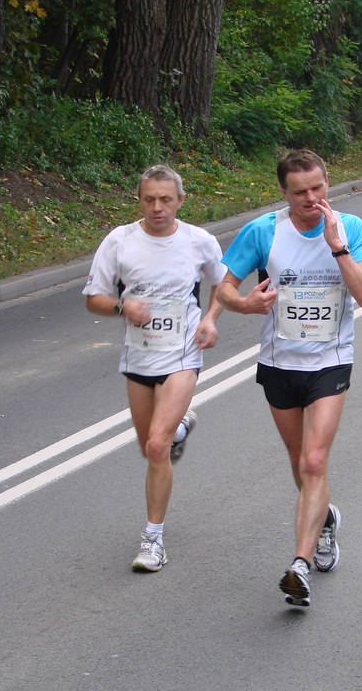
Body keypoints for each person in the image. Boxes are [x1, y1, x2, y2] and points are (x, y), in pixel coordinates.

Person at [216, 149, 362, 608]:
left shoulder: (351, 228)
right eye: (300, 191)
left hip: (330, 360)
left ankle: (300, 565)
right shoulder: (263, 231)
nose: (312, 198)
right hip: (279, 363)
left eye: (319, 187)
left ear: (329, 182)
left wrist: (337, 246)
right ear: (283, 193)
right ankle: (324, 517)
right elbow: (225, 288)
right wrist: (244, 304)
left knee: (312, 461)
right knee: (299, 463)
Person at [83, 164, 226, 572]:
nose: (157, 207)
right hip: (138, 355)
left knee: (158, 446)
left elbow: (224, 283)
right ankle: (182, 425)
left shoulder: (198, 240)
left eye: (166, 199)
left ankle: (153, 540)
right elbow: (94, 297)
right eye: (149, 199)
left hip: (181, 354)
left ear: (180, 201)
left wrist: (210, 318)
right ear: (139, 199)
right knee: (148, 445)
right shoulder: (120, 241)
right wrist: (121, 305)